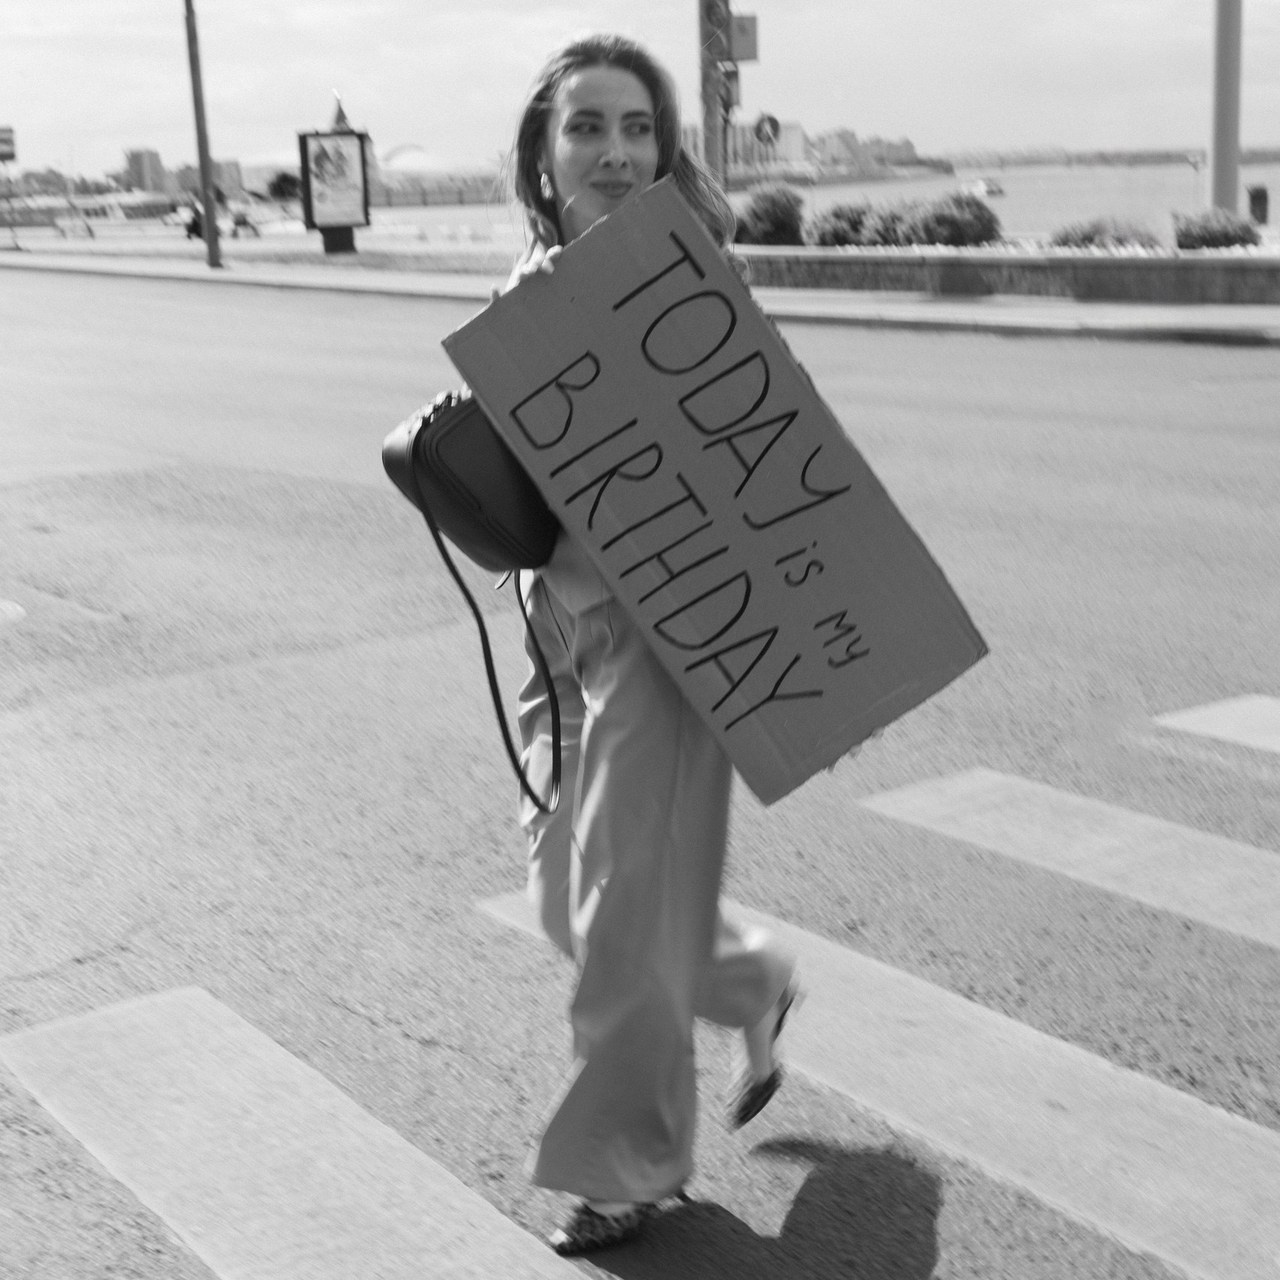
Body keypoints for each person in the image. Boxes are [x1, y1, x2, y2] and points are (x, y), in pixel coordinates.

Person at [500, 33, 802, 1257]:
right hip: (558, 632)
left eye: (636, 127)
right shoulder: (532, 271)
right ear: (542, 148)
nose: (614, 152)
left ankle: (631, 1161)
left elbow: (765, 456)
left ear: (664, 143)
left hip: (666, 643)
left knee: (619, 918)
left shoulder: (689, 280)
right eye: (586, 127)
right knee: (565, 902)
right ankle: (747, 972)